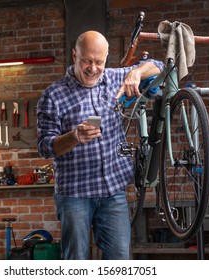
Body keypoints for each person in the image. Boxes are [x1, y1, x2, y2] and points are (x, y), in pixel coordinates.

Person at [37, 30, 163, 260]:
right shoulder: (53, 95)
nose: (93, 68)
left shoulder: (115, 78)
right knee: (76, 262)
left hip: (112, 191)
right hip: (75, 194)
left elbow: (159, 66)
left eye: (99, 62)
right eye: (87, 60)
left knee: (119, 261)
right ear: (74, 55)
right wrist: (74, 136)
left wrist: (136, 73)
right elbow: (45, 147)